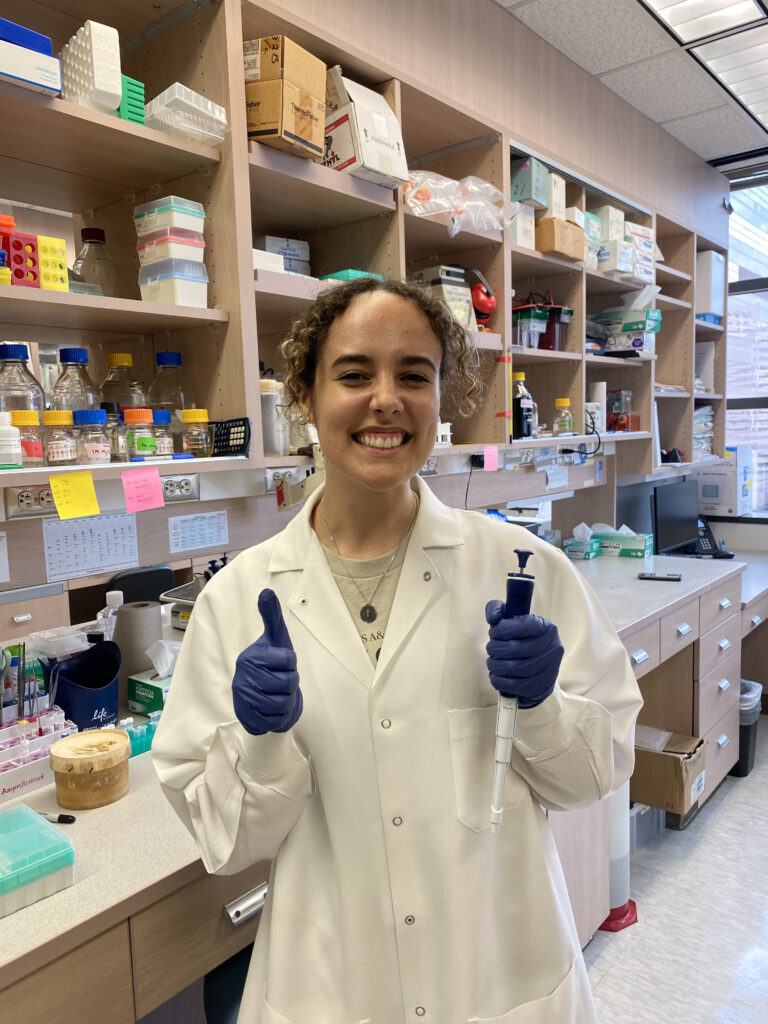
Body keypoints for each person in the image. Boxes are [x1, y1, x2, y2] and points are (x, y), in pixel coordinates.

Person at [152, 278, 643, 1024]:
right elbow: (231, 843)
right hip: (328, 990)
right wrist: (257, 744)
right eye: (354, 374)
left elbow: (592, 778)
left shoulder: (523, 570)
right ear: (307, 399)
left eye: (414, 374)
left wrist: (543, 707)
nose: (386, 399)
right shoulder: (238, 601)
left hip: (500, 983)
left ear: (442, 399)